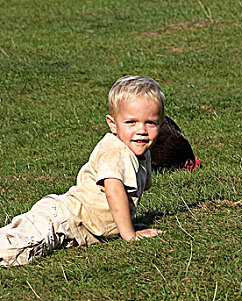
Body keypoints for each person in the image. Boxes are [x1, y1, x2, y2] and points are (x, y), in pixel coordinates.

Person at [0, 75, 165, 267]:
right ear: (113, 124)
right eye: (131, 122)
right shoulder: (115, 151)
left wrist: (126, 224)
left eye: (150, 123)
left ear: (161, 125)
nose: (141, 130)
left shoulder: (142, 153)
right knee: (17, 248)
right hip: (62, 219)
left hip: (78, 229)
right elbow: (114, 192)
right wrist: (130, 235)